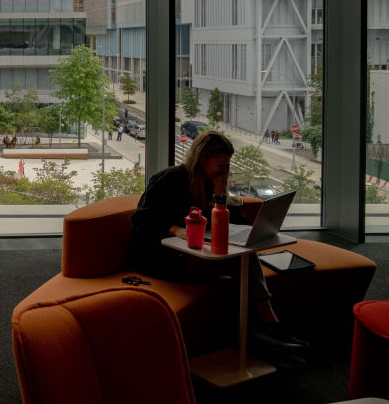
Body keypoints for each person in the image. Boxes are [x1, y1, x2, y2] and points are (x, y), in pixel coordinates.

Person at [129, 130, 308, 363]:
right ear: (203, 157)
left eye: (227, 165)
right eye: (221, 165)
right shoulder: (170, 179)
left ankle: (264, 330)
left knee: (244, 259)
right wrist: (175, 229)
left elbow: (236, 221)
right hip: (162, 258)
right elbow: (141, 220)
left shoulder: (213, 182)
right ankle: (268, 328)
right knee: (241, 262)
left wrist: (218, 198)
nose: (224, 171)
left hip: (194, 254)